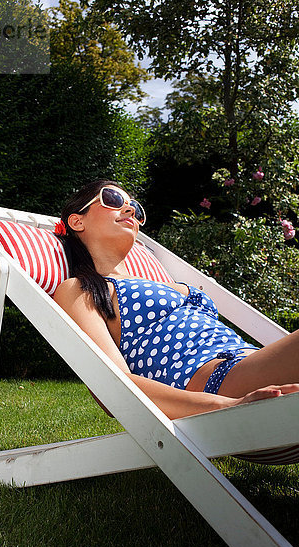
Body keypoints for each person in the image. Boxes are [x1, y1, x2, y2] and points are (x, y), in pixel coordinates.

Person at [53, 179, 299, 420]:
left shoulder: (156, 280)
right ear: (77, 221)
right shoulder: (80, 289)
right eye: (113, 200)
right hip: (223, 383)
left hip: (253, 362)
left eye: (135, 209)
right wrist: (229, 405)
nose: (130, 210)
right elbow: (111, 381)